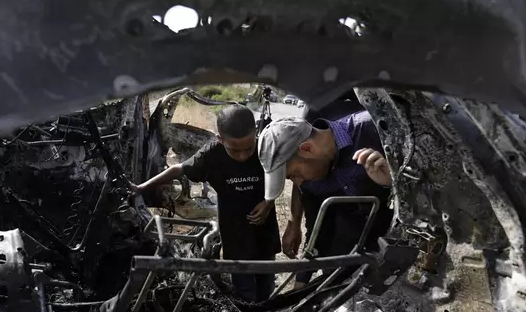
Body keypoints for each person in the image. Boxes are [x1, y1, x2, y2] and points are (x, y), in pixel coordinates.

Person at [131, 104, 281, 302]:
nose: (243, 156)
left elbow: (288, 175)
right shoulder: (212, 153)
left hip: (265, 228)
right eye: (235, 150)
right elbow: (178, 170)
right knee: (244, 287)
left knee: (266, 282)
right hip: (234, 230)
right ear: (220, 139)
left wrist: (269, 202)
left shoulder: (265, 146)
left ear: (256, 133)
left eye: (248, 148)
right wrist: (141, 188)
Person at [257, 111, 394, 289]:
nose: (298, 183)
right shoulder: (309, 184)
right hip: (350, 241)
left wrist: (392, 182)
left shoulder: (377, 126)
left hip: (398, 240)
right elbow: (317, 227)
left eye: (294, 175)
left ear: (307, 149)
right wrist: (301, 280)